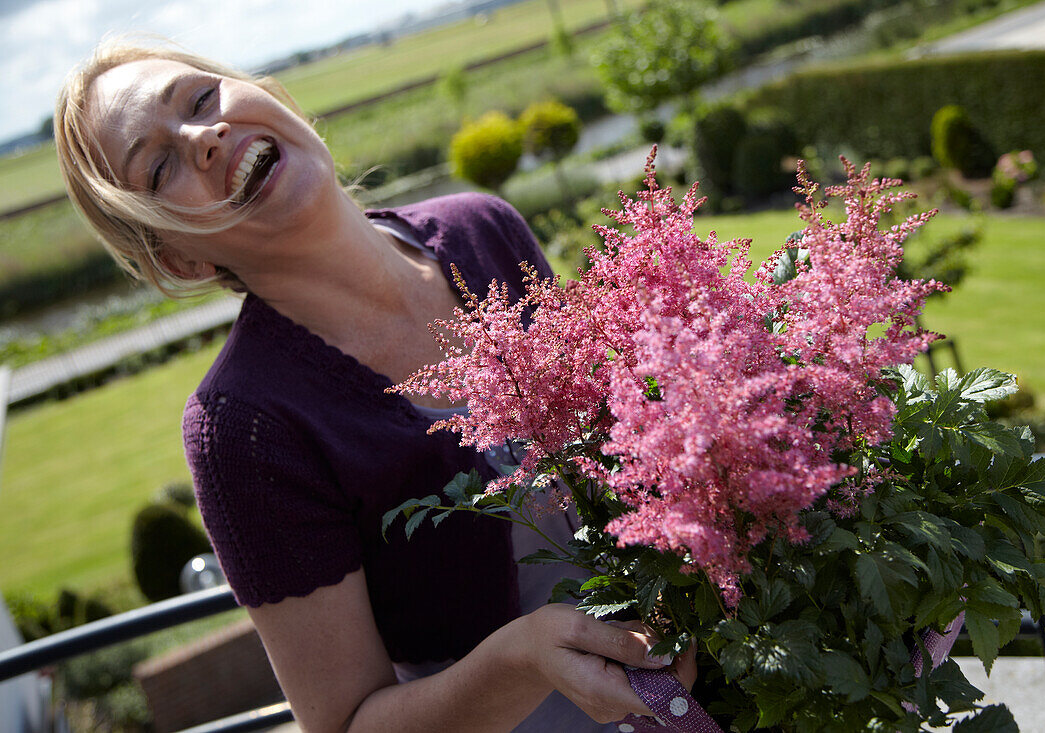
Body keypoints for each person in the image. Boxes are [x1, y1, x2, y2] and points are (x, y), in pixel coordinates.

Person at [54, 41, 696, 732]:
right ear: (176, 255)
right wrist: (521, 659)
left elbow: (631, 445)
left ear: (269, 95)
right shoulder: (243, 427)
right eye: (158, 167)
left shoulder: (485, 229)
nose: (203, 137)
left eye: (202, 98)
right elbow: (342, 723)